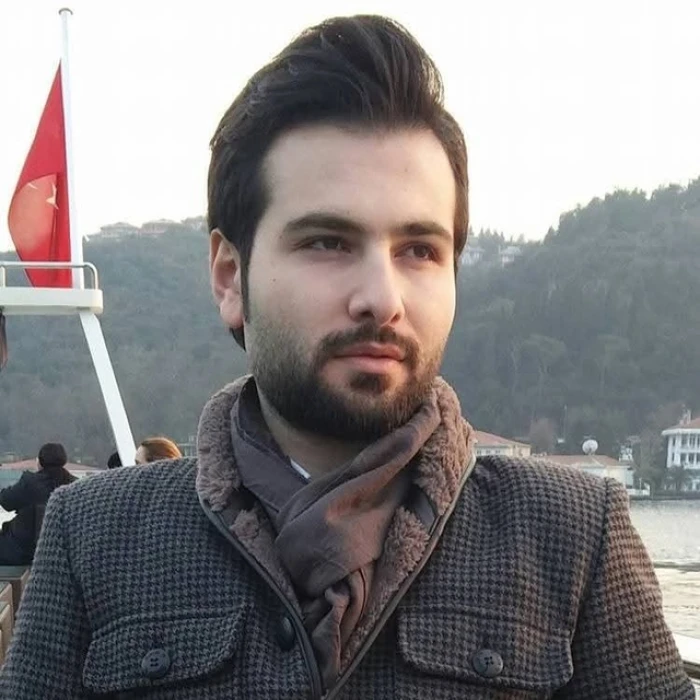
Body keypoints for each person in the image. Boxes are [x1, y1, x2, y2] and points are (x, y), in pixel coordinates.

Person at [0, 15, 692, 700]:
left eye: (419, 250)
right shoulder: (95, 537)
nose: (382, 299)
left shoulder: (572, 535)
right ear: (230, 277)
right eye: (328, 242)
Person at [0, 443, 75, 565]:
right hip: (64, 553)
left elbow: (5, 501)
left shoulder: (29, 483)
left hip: (23, 551)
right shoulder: (75, 485)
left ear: (40, 461)